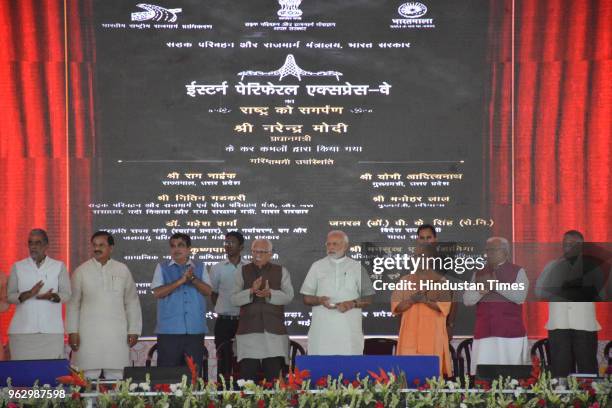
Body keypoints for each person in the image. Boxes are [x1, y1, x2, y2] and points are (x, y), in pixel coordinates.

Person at [67, 231, 142, 380]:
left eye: (101, 245)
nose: (97, 248)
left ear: (111, 248)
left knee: (117, 376)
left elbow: (132, 302)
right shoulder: (81, 271)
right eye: (94, 245)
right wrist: (72, 332)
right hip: (88, 335)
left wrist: (134, 330)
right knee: (87, 376)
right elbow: (73, 304)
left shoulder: (122, 270)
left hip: (116, 334)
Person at [535, 230, 605, 377]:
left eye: (572, 244)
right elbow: (539, 292)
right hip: (559, 324)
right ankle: (560, 399)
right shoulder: (552, 266)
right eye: (565, 244)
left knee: (587, 366)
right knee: (560, 367)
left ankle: (590, 398)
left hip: (584, 324)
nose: (567, 247)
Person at [300, 230, 374, 355]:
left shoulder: (357, 267)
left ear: (345, 246)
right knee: (320, 371)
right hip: (322, 333)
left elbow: (369, 298)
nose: (331, 247)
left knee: (350, 372)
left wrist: (352, 303)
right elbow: (306, 298)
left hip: (349, 333)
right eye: (328, 244)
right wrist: (319, 300)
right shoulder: (317, 266)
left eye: (335, 244)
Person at [463, 237, 529, 374]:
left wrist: (496, 286)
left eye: (493, 250)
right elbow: (467, 300)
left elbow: (520, 297)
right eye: (487, 250)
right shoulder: (479, 273)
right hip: (485, 334)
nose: (489, 253)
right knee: (485, 379)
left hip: (510, 335)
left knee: (512, 379)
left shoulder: (518, 271)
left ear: (505, 252)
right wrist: (481, 291)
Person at [231, 239, 294, 381]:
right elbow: (234, 299)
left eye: (262, 252)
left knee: (274, 378)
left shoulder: (281, 271)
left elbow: (289, 297)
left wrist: (270, 294)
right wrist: (251, 291)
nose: (257, 255)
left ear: (270, 254)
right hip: (249, 334)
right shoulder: (242, 271)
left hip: (274, 335)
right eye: (255, 251)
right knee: (248, 379)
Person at [151, 233, 212, 372]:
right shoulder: (162, 267)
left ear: (189, 249)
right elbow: (158, 293)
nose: (176, 249)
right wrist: (180, 281)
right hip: (168, 333)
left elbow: (208, 291)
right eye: (172, 246)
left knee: (193, 376)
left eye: (181, 245)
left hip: (194, 331)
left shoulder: (200, 267)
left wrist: (192, 279)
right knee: (167, 377)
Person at [6, 229, 71, 360]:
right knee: (23, 375)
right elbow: (10, 296)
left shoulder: (58, 266)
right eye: (30, 243)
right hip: (22, 332)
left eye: (38, 243)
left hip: (51, 332)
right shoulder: (18, 266)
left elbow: (67, 294)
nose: (33, 246)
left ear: (47, 245)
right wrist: (29, 293)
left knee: (50, 375)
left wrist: (52, 296)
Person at [391, 243, 453, 376]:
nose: (419, 259)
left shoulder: (441, 282)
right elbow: (396, 307)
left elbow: (444, 308)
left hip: (433, 339)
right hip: (409, 339)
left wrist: (425, 301)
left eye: (423, 256)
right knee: (407, 379)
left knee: (432, 383)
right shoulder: (404, 281)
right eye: (416, 256)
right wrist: (412, 300)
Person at [210, 231, 246, 379]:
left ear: (241, 246)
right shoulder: (217, 268)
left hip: (244, 322)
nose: (228, 245)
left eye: (232, 242)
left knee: (243, 361)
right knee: (223, 363)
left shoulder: (248, 267)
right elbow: (213, 293)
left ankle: (241, 397)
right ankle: (221, 398)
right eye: (226, 242)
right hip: (223, 322)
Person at [416, 224, 458, 341]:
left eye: (429, 238)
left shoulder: (446, 261)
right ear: (417, 240)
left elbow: (454, 293)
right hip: (415, 324)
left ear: (435, 239)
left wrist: (450, 325)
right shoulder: (410, 262)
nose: (425, 241)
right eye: (422, 238)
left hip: (438, 322)